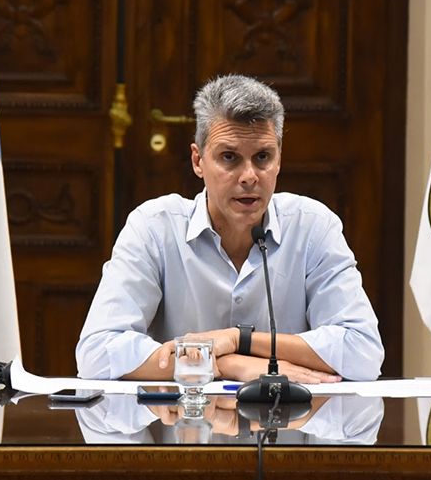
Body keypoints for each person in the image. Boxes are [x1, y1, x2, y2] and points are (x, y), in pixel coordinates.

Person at [76, 75, 383, 383]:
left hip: (288, 426)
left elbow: (364, 354)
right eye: (229, 158)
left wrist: (239, 341)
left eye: (262, 157)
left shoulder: (313, 226)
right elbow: (97, 354)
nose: (249, 176)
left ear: (279, 159)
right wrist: (226, 366)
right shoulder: (155, 227)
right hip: (184, 426)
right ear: (198, 161)